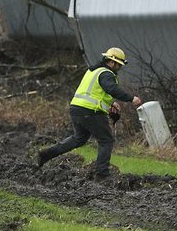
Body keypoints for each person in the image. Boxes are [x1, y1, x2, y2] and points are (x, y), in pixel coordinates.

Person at [38, 47, 142, 180]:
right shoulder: (106, 73)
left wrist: (110, 103)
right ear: (112, 62)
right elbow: (111, 88)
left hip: (76, 109)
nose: (119, 68)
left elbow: (93, 91)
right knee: (106, 140)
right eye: (119, 65)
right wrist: (131, 98)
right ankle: (102, 174)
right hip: (91, 112)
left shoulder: (93, 71)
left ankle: (46, 154)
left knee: (79, 138)